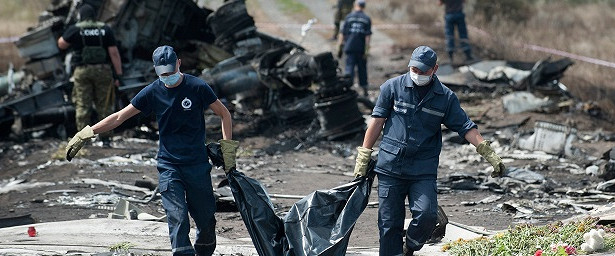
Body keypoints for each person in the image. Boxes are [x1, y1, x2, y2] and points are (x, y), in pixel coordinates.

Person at [64, 45, 239, 256]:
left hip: (197, 165)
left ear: (179, 64)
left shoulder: (197, 87)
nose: (168, 77)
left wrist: (227, 150)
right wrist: (87, 132)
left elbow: (224, 114)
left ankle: (203, 249)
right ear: (156, 70)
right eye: (162, 74)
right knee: (177, 216)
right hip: (169, 166)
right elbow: (120, 116)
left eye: (171, 72)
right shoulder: (153, 91)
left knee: (206, 220)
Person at [352, 46, 505, 256]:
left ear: (435, 69)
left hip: (422, 170)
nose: (418, 74)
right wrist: (364, 155)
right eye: (414, 68)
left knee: (427, 216)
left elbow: (465, 127)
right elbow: (377, 122)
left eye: (423, 71)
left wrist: (488, 153)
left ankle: (410, 247)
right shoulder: (392, 87)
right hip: (390, 167)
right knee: (389, 226)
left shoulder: (445, 98)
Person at [57, 4, 123, 147]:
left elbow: (61, 44)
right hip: (103, 71)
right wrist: (118, 75)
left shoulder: (75, 29)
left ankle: (83, 140)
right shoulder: (105, 29)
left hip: (82, 71)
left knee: (83, 105)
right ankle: (106, 139)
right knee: (105, 105)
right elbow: (114, 53)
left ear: (80, 15)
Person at [338, 0, 371, 97]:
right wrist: (366, 50)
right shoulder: (366, 18)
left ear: (355, 5)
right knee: (362, 69)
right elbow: (367, 36)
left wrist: (339, 46)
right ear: (363, 7)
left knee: (349, 68)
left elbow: (342, 33)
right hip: (360, 48)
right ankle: (364, 89)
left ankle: (348, 89)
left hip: (349, 47)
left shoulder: (348, 17)